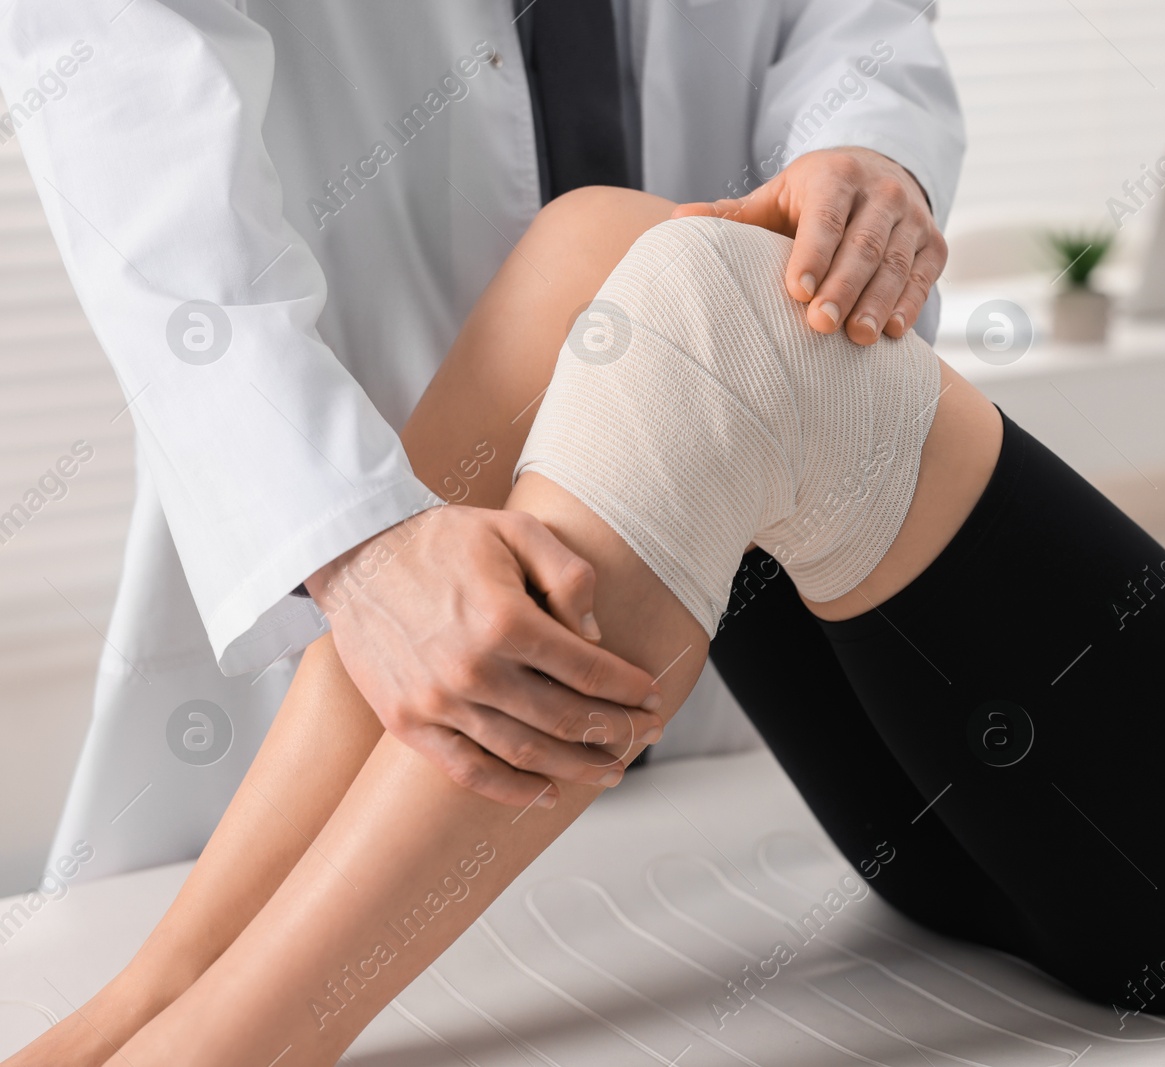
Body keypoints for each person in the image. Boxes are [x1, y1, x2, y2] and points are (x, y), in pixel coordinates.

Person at [10, 186, 1165, 1067]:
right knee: (597, 246)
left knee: (718, 313)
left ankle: (229, 1047)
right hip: (1084, 792)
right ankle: (162, 982)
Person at [0, 1, 964, 882]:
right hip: (350, 505)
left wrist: (865, 160)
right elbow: (115, 77)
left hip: (727, 701)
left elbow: (856, 22)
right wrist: (349, 538)